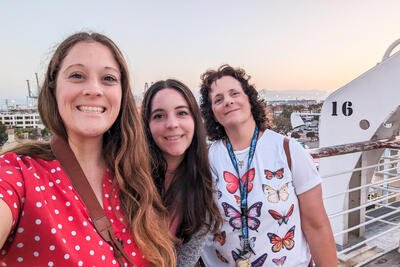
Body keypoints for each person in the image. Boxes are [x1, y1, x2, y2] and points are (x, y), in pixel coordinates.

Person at [0, 32, 175, 267]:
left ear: (122, 94)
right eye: (77, 75)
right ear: (53, 89)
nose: (94, 89)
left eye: (108, 78)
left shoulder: (134, 180)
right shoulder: (19, 174)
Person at [199, 65, 337, 266]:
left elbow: (317, 226)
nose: (228, 101)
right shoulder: (206, 158)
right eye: (218, 99)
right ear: (212, 111)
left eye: (234, 93)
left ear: (249, 99)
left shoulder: (288, 150)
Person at [141, 79, 222, 266]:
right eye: (159, 116)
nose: (172, 124)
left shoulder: (205, 185)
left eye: (182, 113)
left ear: (195, 120)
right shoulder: (129, 176)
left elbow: (185, 258)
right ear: (147, 126)